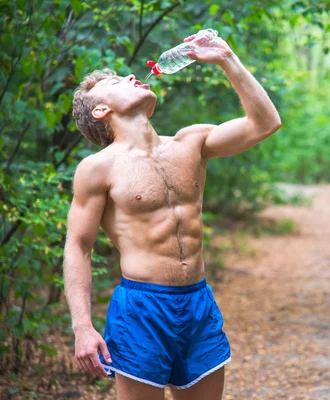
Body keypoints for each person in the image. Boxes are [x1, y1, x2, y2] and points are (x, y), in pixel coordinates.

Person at [62, 30, 281, 400]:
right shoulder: (97, 169)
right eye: (118, 81)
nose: (134, 76)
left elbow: (265, 123)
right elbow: (78, 246)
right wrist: (82, 326)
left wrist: (227, 58)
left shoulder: (191, 142)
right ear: (102, 110)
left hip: (198, 302)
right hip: (142, 309)